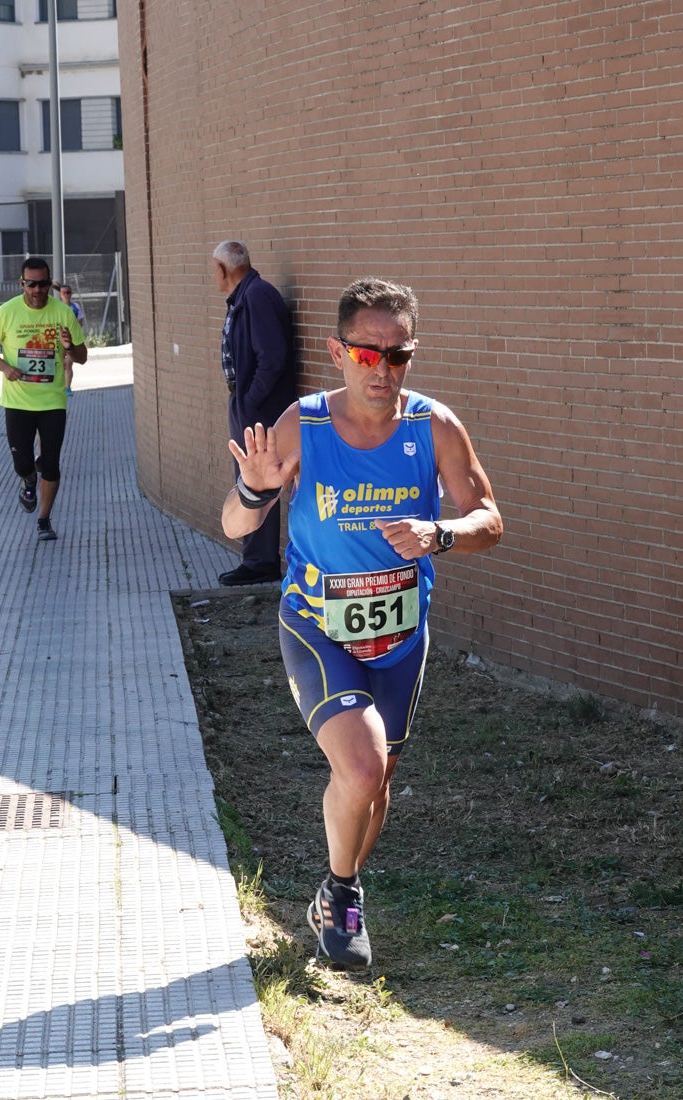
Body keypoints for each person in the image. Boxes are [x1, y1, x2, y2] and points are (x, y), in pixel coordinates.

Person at [222, 277, 503, 969]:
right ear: (337, 352)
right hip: (317, 625)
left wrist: (438, 532)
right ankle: (343, 894)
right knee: (360, 763)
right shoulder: (303, 424)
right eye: (367, 354)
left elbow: (489, 521)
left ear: (412, 353)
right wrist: (255, 488)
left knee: (375, 782)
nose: (382, 368)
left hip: (400, 632)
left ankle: (336, 889)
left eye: (397, 354)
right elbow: (234, 524)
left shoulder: (432, 426)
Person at [0, 256, 87, 542]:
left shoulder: (63, 313)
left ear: (49, 283)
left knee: (51, 463)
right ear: (22, 284)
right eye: (31, 284)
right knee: (22, 462)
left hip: (52, 402)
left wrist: (69, 347)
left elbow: (82, 357)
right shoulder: (7, 312)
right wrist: (5, 367)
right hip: (18, 402)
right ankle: (28, 480)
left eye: (42, 284)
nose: (37, 290)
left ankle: (44, 519)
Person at [212, 240, 296, 586]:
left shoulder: (257, 296)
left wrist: (250, 400)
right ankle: (255, 557)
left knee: (256, 479)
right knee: (249, 478)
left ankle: (260, 561)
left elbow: (272, 356)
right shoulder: (245, 297)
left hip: (259, 409)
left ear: (221, 270)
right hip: (249, 404)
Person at [58, 284, 85, 395]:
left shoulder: (75, 307)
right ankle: (60, 386)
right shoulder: (58, 307)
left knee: (68, 364)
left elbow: (80, 321)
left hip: (72, 339)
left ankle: (68, 388)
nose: (66, 295)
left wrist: (75, 333)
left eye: (68, 292)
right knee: (60, 364)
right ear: (60, 295)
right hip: (60, 339)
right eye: (64, 293)